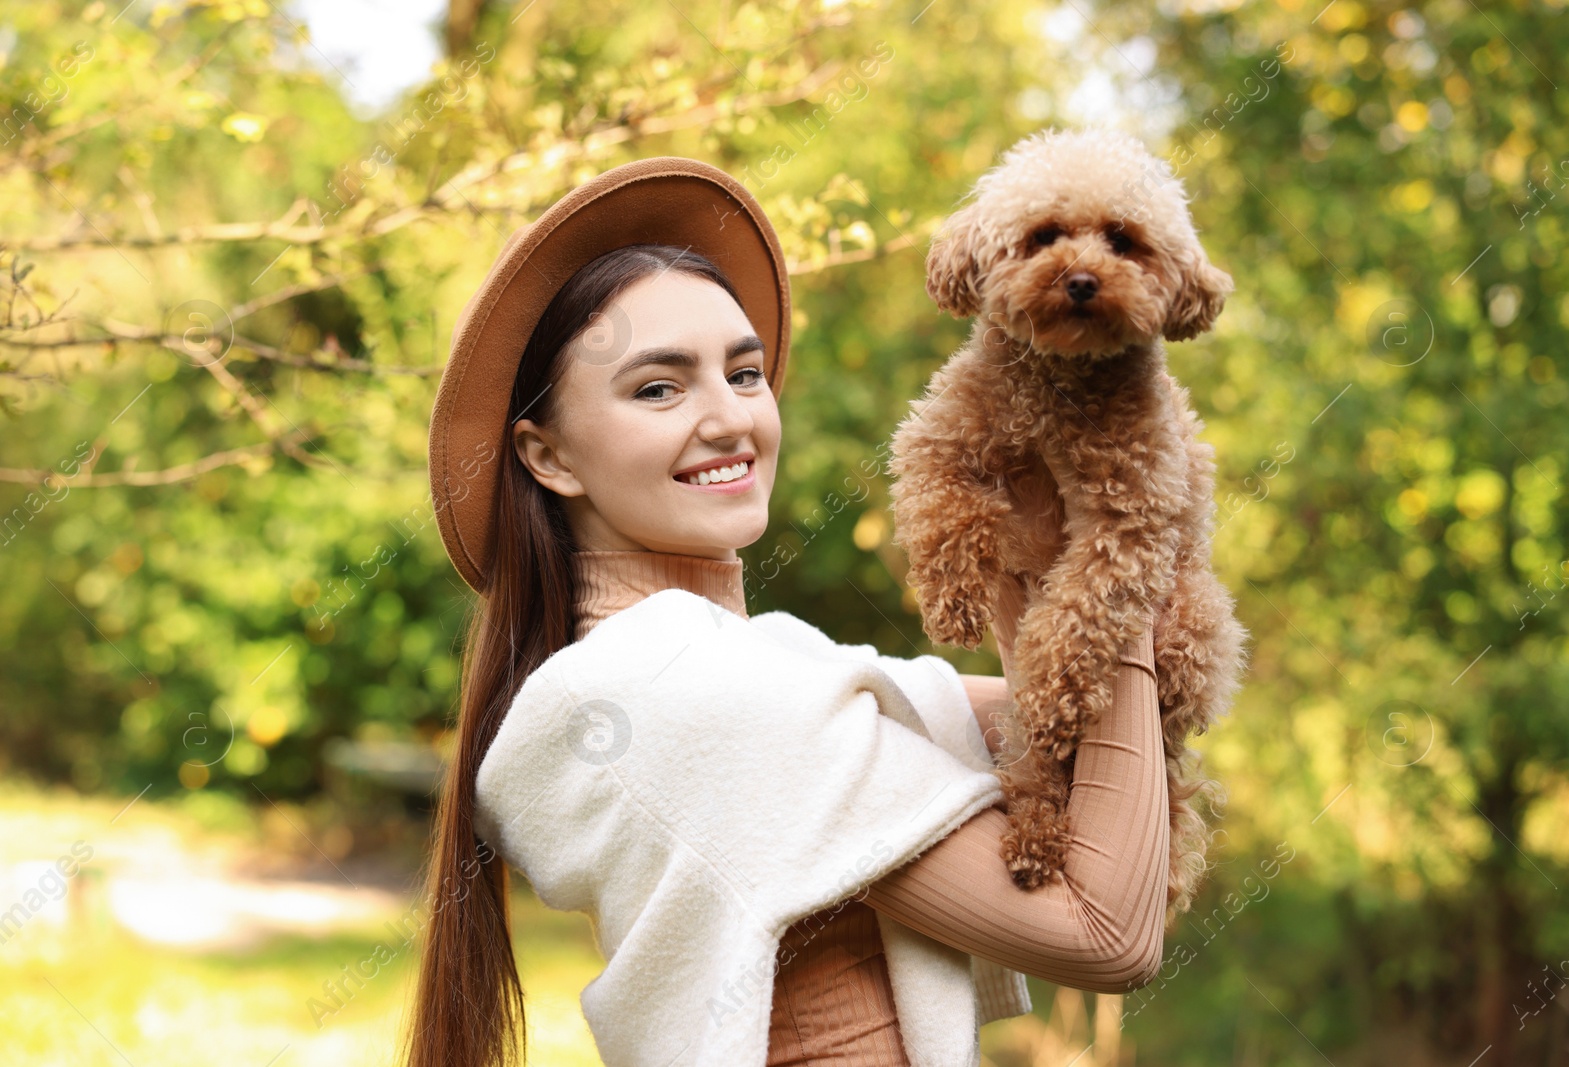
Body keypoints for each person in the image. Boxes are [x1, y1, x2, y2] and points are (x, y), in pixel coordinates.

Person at [406, 157, 1170, 1067]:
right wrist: (1123, 529)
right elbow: (1106, 929)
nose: (730, 418)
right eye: (659, 387)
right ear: (549, 456)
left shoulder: (766, 662)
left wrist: (1037, 516)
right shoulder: (678, 687)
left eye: (744, 373)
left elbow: (1084, 725)